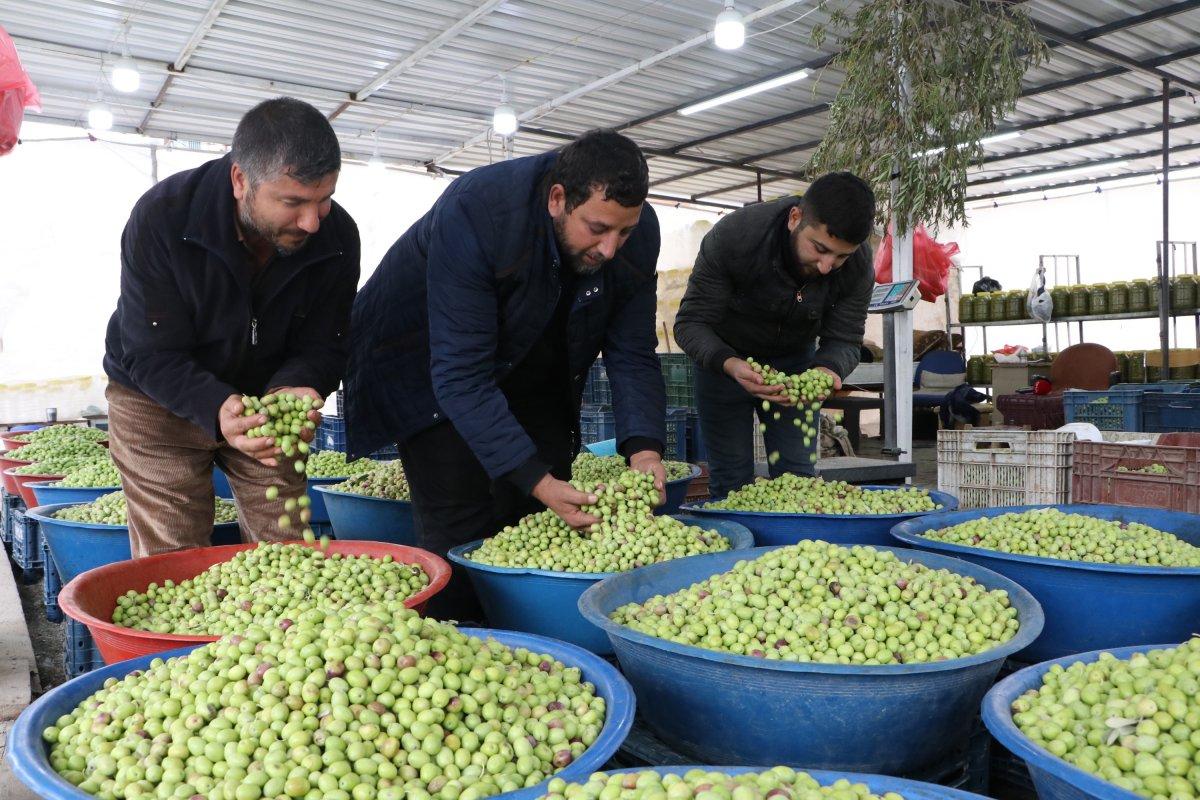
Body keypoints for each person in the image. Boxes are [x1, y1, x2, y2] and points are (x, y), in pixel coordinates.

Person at [345, 129, 665, 620]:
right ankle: (460, 637)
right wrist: (536, 479)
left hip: (526, 357)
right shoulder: (480, 212)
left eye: (624, 231)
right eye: (597, 228)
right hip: (426, 361)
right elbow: (461, 376)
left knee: (535, 510)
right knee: (462, 521)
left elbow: (633, 353)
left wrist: (644, 447)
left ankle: (529, 639)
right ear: (557, 199)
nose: (611, 249)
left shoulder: (634, 235)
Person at [102, 97, 360, 558]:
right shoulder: (164, 218)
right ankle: (189, 633)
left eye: (324, 200)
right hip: (159, 398)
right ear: (241, 180)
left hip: (265, 403)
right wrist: (216, 406)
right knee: (173, 558)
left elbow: (328, 340)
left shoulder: (337, 237)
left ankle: (280, 628)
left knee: (287, 552)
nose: (311, 222)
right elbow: (149, 351)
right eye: (293, 202)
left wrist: (299, 385)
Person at [674, 171, 876, 500]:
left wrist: (827, 370)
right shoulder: (738, 236)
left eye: (840, 256)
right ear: (795, 218)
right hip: (725, 361)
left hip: (797, 368)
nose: (827, 266)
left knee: (798, 479)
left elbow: (845, 338)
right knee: (730, 481)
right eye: (820, 248)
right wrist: (730, 364)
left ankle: (790, 545)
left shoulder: (858, 264)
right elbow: (690, 323)